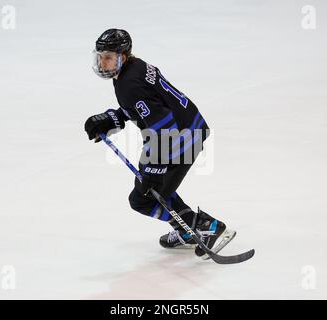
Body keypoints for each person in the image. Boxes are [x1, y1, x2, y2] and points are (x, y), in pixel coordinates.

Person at [84, 28, 231, 258]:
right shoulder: (133, 69)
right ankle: (189, 230)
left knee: (142, 198)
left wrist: (154, 168)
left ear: (122, 56)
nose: (103, 63)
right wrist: (111, 119)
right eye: (100, 56)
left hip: (180, 137)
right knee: (158, 190)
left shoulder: (128, 83)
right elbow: (140, 108)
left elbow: (164, 126)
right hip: (189, 128)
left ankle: (206, 227)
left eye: (108, 57)